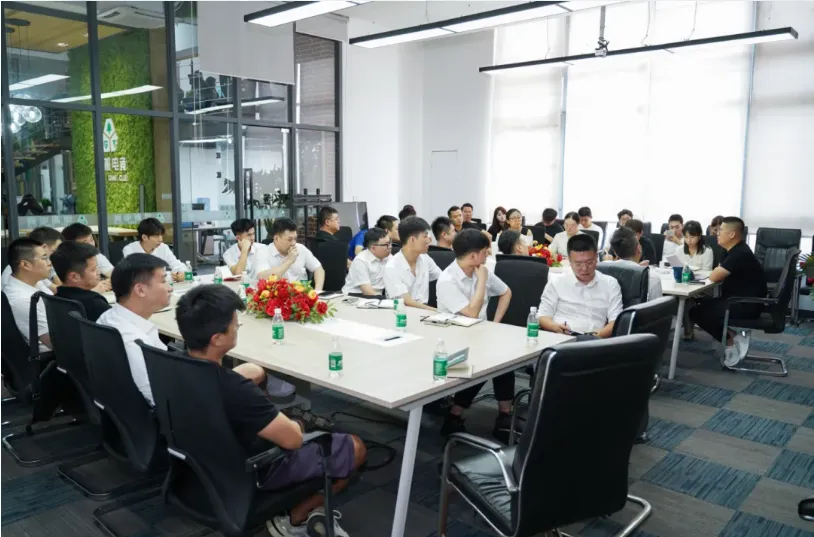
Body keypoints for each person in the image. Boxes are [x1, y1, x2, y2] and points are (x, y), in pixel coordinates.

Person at [175, 285, 366, 537]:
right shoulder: (237, 390)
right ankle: (297, 518)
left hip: (203, 461)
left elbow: (227, 383)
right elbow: (293, 440)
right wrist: (299, 423)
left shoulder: (175, 366)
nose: (238, 327)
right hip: (253, 470)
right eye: (235, 324)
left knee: (256, 374)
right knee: (354, 446)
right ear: (217, 339)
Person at [435, 230, 514, 440]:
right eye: (485, 252)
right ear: (473, 255)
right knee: (481, 363)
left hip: (480, 336)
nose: (488, 255)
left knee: (506, 359)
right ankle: (453, 416)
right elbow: (471, 313)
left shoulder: (480, 270)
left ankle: (505, 416)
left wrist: (495, 323)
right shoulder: (448, 280)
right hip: (453, 342)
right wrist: (481, 282)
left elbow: (506, 292)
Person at [689, 217, 766, 367]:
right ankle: (734, 337)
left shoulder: (739, 253)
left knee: (696, 312)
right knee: (699, 304)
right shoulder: (732, 250)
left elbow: (714, 276)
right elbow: (718, 271)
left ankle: (731, 342)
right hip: (738, 300)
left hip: (745, 305)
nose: (717, 233)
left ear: (732, 234)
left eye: (721, 230)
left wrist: (716, 271)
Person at [97, 254, 171, 405]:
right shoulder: (135, 341)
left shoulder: (108, 317)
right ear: (141, 290)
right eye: (164, 281)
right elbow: (159, 397)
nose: (170, 288)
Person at [538, 234, 623, 338]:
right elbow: (543, 316)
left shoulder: (610, 284)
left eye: (589, 262)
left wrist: (595, 337)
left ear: (596, 257)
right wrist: (556, 327)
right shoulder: (556, 281)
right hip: (561, 338)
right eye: (578, 264)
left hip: (595, 340)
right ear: (569, 261)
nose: (584, 268)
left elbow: (616, 321)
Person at [4, 238, 54, 353]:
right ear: (25, 265)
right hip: (49, 356)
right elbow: (53, 342)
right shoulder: (22, 299)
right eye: (44, 258)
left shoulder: (35, 282)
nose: (50, 263)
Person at [383, 216, 441, 311]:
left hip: (424, 312)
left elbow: (442, 277)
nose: (429, 240)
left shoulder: (425, 258)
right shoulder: (391, 267)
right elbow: (406, 302)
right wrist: (437, 312)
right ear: (413, 240)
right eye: (425, 236)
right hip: (401, 314)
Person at [258, 218, 325, 291]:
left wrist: (318, 291)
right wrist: (289, 260)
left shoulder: (301, 249)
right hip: (276, 296)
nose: (293, 243)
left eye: (295, 239)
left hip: (301, 295)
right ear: (276, 238)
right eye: (289, 239)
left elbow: (318, 268)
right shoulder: (263, 252)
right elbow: (263, 277)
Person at [51, 241, 111, 321]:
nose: (98, 272)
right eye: (93, 269)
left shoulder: (55, 299)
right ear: (74, 277)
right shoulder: (94, 303)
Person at [2, 226, 63, 293]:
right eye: (55, 251)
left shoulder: (36, 274)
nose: (50, 262)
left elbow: (55, 290)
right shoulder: (19, 274)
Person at [607, 227, 662, 301]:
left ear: (615, 253)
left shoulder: (604, 272)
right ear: (639, 249)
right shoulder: (651, 278)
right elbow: (657, 306)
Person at [342, 228, 391, 296]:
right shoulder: (361, 261)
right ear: (373, 248)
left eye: (390, 243)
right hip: (356, 296)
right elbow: (367, 292)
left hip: (377, 297)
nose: (390, 247)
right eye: (387, 244)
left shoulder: (389, 257)